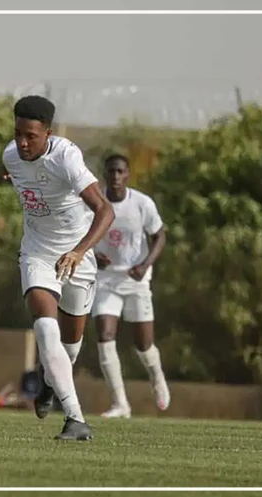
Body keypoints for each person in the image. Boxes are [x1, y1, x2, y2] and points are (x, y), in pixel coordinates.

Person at [2, 95, 114, 441]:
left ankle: (49, 382)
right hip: (37, 254)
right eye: (18, 133)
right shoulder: (10, 155)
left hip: (76, 258)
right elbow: (25, 178)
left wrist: (80, 252)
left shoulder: (66, 156)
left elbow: (105, 211)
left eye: (31, 136)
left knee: (69, 348)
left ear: (47, 133)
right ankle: (76, 419)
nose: (22, 142)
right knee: (45, 329)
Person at [91, 154, 171, 418]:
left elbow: (159, 235)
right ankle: (120, 404)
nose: (115, 176)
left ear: (127, 175)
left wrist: (146, 264)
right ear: (104, 175)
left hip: (136, 279)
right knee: (105, 335)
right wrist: (93, 255)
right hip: (106, 279)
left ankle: (157, 378)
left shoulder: (141, 203)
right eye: (111, 171)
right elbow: (80, 232)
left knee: (143, 343)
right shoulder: (94, 200)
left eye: (120, 172)